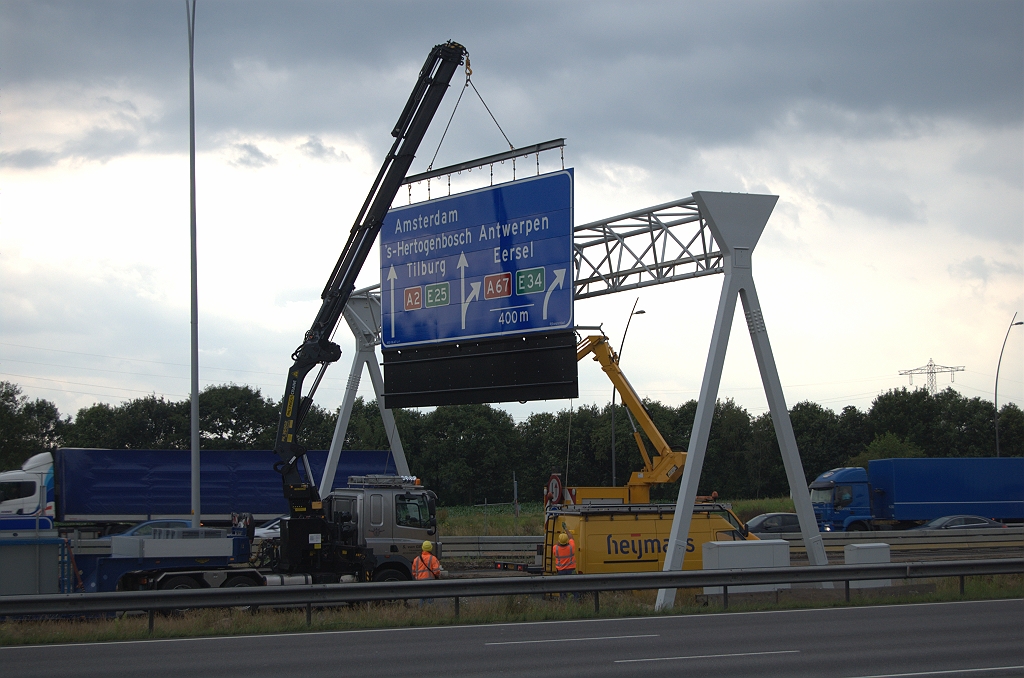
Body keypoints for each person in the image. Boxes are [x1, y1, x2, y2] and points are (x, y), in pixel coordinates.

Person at [412, 540, 441, 605]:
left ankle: (422, 610)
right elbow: (436, 571)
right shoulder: (433, 558)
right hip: (430, 581)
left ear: (422, 548)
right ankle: (429, 612)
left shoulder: (416, 559)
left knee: (422, 597)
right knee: (430, 598)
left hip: (419, 581)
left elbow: (413, 572)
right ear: (430, 548)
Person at [552, 532, 579, 600]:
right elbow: (571, 538)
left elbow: (556, 546)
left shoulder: (556, 548)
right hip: (571, 571)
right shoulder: (571, 547)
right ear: (567, 541)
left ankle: (563, 602)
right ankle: (576, 602)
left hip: (561, 572)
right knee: (575, 588)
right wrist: (566, 530)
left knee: (562, 589)